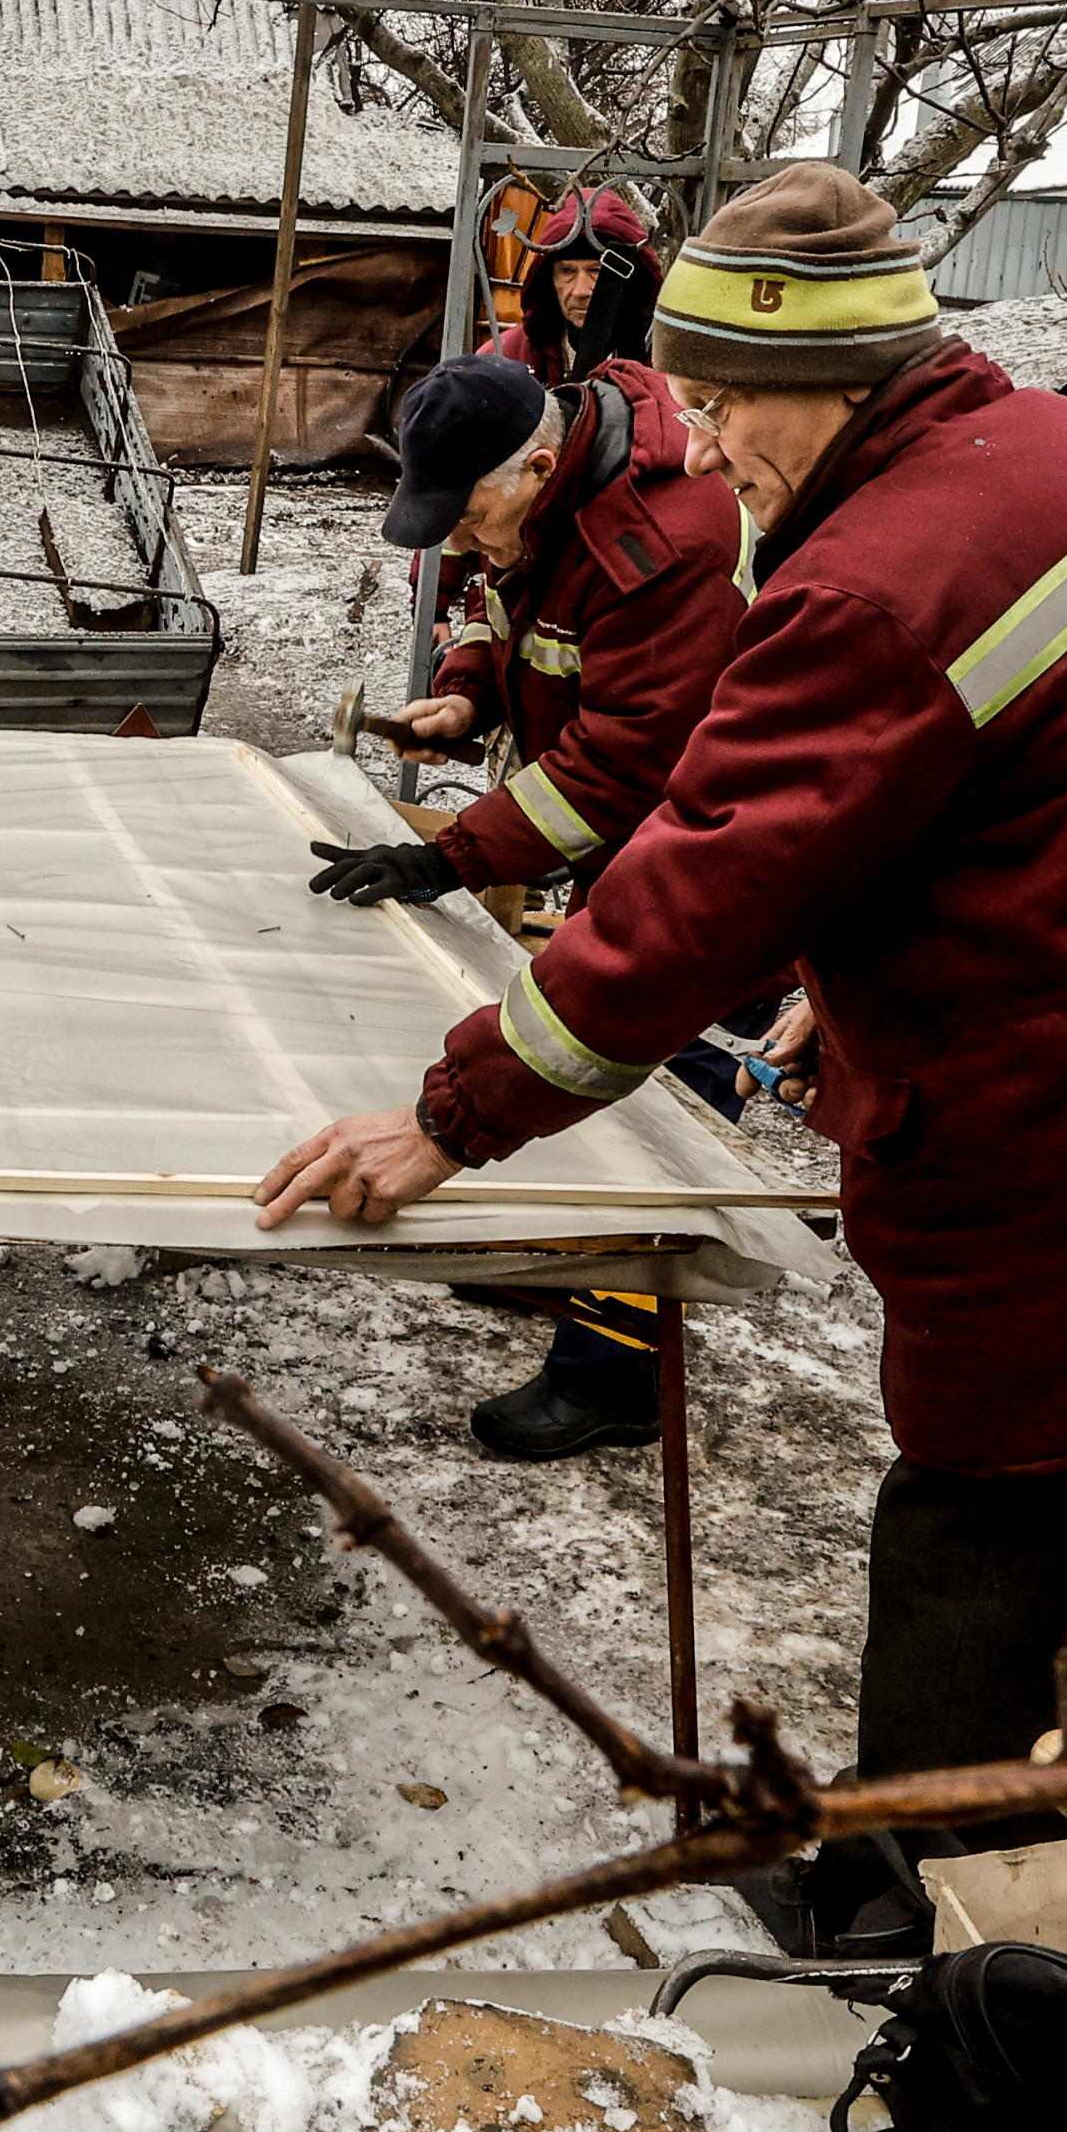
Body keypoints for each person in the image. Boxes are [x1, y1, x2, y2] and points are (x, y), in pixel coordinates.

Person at [259, 163, 1067, 1951]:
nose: (709, 439)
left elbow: (700, 888)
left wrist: (454, 1115)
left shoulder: (883, 578)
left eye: (733, 400)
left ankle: (909, 1927)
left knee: (986, 1535)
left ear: (847, 376)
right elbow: (1062, 808)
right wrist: (867, 972)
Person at [311, 346, 749, 1460]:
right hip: (633, 837)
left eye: (467, 518)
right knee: (592, 1061)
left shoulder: (666, 544)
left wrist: (444, 858)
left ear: (539, 466)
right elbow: (495, 603)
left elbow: (617, 765)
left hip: (718, 859)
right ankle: (565, 1270)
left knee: (662, 1090)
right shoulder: (541, 493)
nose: (462, 543)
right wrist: (462, 693)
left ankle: (612, 1375)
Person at [485, 186, 658, 387]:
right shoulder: (505, 357)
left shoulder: (664, 364)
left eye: (596, 271)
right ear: (548, 279)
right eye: (567, 271)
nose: (580, 291)